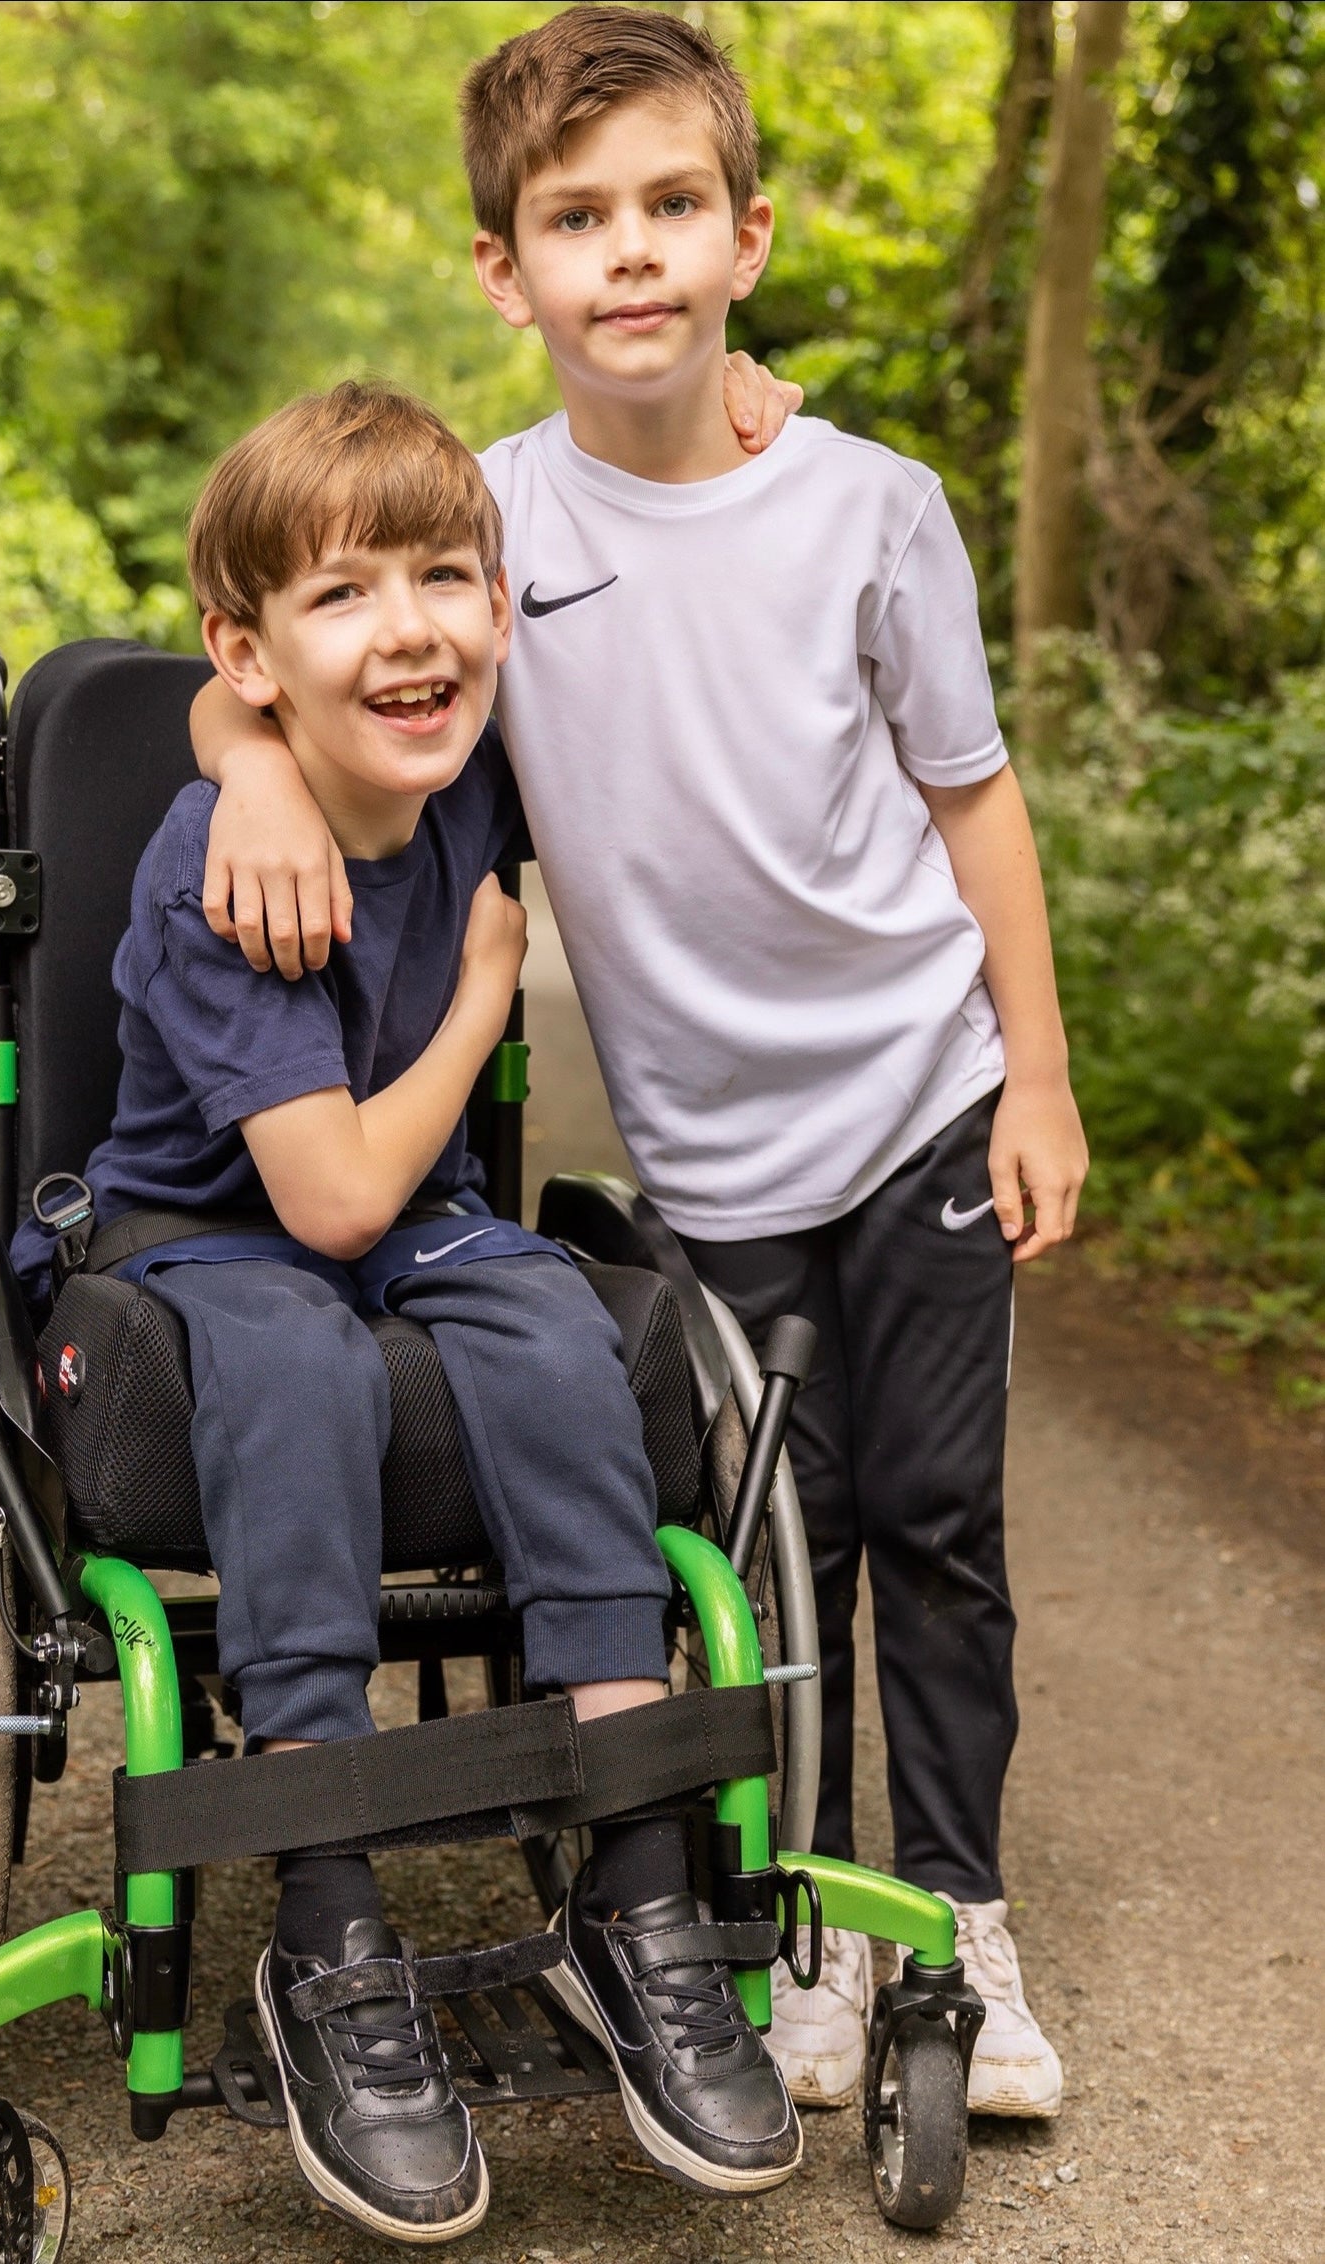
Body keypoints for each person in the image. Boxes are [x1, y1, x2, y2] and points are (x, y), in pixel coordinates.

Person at [187, 6, 1088, 2124]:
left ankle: (948, 1916)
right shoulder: (482, 531)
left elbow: (972, 800)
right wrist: (240, 772)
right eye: (573, 219)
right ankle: (794, 1929)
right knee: (783, 1537)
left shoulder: (871, 506)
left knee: (936, 1517)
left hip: (915, 1090)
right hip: (701, 1150)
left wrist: (1032, 1073)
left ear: (745, 236)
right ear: (502, 271)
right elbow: (283, 636)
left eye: (671, 206)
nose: (629, 255)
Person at [13, 379, 802, 2244]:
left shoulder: (476, 765)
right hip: (204, 1239)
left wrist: (738, 402)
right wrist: (481, 992)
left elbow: (664, 625)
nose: (413, 628)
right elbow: (335, 1199)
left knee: (554, 1321)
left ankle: (633, 1877)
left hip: (421, 1230)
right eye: (348, 597)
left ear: (500, 609)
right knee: (293, 1353)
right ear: (253, 651)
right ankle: (323, 1915)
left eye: (449, 578)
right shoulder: (224, 880)